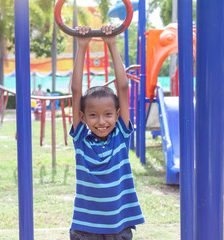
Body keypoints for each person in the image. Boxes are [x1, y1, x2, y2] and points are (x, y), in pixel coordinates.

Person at [69, 25, 144, 239]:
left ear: (118, 114)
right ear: (83, 117)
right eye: (93, 115)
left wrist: (112, 43)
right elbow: (76, 92)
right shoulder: (81, 139)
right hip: (85, 228)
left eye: (108, 114)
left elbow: (123, 88)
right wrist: (82, 46)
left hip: (118, 226)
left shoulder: (121, 135)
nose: (101, 121)